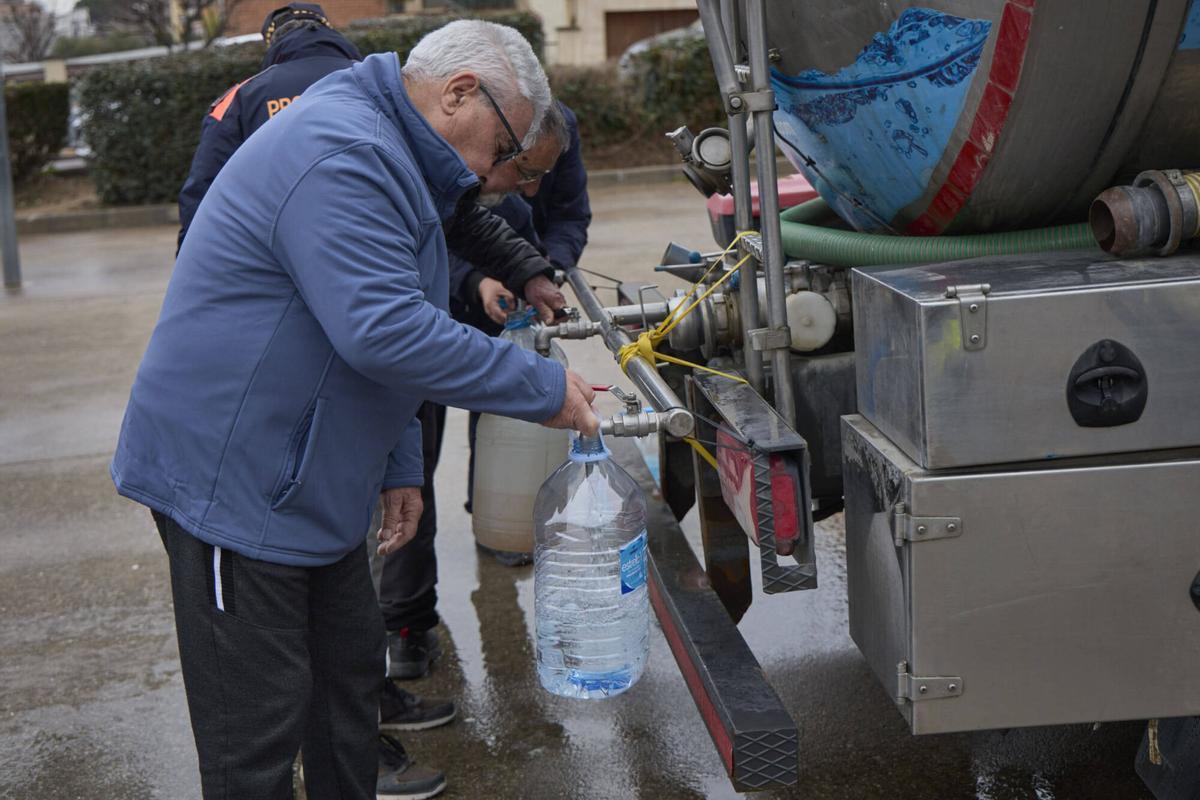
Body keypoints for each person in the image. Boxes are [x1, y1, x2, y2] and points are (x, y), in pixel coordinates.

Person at [111, 19, 598, 800]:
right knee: (255, 741)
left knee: (345, 694)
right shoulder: (343, 152)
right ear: (458, 93)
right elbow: (384, 329)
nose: (499, 175)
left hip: (309, 476)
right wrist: (541, 390)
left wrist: (399, 458)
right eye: (505, 153)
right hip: (233, 484)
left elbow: (383, 311)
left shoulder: (395, 145)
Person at [378, 103, 588, 681]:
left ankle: (497, 521)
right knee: (408, 467)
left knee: (494, 437)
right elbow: (406, 289)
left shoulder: (549, 133)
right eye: (519, 169)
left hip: (511, 306)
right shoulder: (405, 157)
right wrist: (477, 281)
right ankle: (403, 624)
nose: (530, 186)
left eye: (541, 172)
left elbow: (565, 214)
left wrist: (543, 271)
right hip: (436, 309)